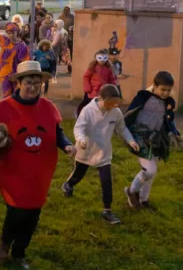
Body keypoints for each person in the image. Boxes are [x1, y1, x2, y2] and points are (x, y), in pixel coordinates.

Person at [0, 61, 76, 268]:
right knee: (17, 211)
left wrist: (67, 145)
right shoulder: (3, 109)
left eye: (37, 83)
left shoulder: (48, 107)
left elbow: (57, 131)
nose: (33, 87)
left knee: (33, 214)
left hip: (39, 171)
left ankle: (19, 252)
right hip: (13, 171)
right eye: (29, 82)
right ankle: (4, 246)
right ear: (19, 83)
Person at [63, 84, 139, 224]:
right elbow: (79, 128)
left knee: (106, 181)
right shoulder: (88, 111)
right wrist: (81, 139)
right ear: (100, 98)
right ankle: (68, 185)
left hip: (103, 152)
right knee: (78, 175)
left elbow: (122, 129)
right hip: (85, 149)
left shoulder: (115, 111)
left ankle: (107, 211)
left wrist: (131, 141)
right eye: (109, 103)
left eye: (115, 103)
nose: (113, 106)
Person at [124, 71, 181, 210]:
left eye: (169, 90)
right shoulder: (143, 97)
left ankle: (144, 200)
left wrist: (175, 133)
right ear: (154, 86)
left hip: (156, 140)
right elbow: (129, 114)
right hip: (140, 138)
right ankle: (131, 191)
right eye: (163, 89)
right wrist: (126, 135)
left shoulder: (168, 103)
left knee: (152, 171)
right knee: (150, 170)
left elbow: (169, 120)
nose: (166, 93)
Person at [76, 49, 117, 117]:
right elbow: (86, 77)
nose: (102, 60)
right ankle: (80, 115)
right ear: (96, 58)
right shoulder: (92, 67)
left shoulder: (109, 68)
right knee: (88, 104)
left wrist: (113, 88)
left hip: (103, 91)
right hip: (92, 91)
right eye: (100, 58)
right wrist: (87, 88)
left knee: (101, 106)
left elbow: (112, 79)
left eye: (104, 58)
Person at [0, 22, 30, 98]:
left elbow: (25, 61)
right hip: (4, 73)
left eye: (13, 33)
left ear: (17, 32)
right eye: (8, 33)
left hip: (16, 75)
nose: (10, 35)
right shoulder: (5, 41)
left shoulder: (22, 46)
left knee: (16, 95)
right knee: (6, 95)